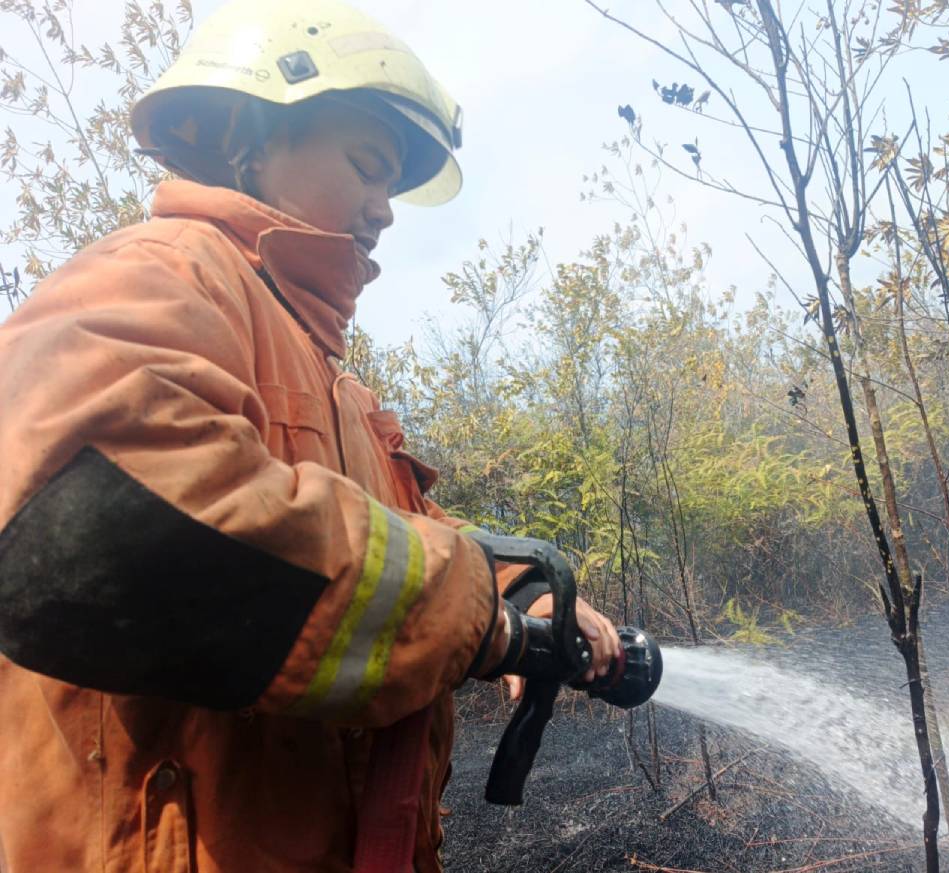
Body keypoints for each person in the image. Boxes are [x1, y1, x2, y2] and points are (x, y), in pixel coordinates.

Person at [0, 1, 619, 871]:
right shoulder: (160, 273)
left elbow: (409, 543)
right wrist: (470, 615)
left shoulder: (338, 388)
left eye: (394, 186)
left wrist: (522, 596)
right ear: (251, 136)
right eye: (368, 166)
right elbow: (91, 526)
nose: (385, 209)